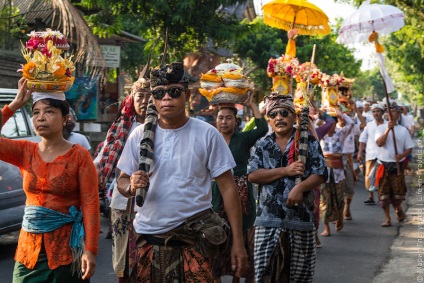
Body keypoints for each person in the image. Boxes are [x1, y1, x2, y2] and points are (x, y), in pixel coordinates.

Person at [116, 62, 248, 282]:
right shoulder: (140, 135)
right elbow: (121, 181)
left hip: (195, 241)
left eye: (174, 92)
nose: (166, 98)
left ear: (187, 95)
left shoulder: (207, 134)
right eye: (159, 93)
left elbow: (228, 188)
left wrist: (238, 241)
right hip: (148, 240)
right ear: (153, 98)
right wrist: (131, 186)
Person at [0, 78, 99, 282]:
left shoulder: (79, 155)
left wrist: (90, 249)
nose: (41, 118)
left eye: (50, 111)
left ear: (65, 118)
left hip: (67, 253)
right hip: (29, 252)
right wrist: (15, 104)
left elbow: (90, 204)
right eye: (36, 112)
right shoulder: (25, 151)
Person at [247, 93, 327, 282]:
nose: (278, 118)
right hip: (267, 219)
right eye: (273, 115)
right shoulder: (262, 144)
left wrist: (300, 188)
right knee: (264, 274)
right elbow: (252, 175)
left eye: (284, 113)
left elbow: (321, 173)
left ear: (294, 116)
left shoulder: (307, 142)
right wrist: (286, 170)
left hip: (300, 218)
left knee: (300, 276)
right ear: (269, 120)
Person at [94, 73, 151, 281]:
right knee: (123, 258)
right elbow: (102, 158)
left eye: (150, 96)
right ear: (132, 99)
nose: (145, 102)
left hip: (152, 201)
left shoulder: (163, 128)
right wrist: (98, 170)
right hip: (122, 200)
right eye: (140, 96)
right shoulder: (121, 127)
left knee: (148, 258)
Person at [212, 96, 268, 283]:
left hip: (241, 193)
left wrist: (252, 105)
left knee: (241, 233)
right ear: (216, 120)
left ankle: (238, 277)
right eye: (221, 118)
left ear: (236, 121)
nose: (224, 121)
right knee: (216, 233)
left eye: (229, 118)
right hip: (215, 192)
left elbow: (262, 129)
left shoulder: (243, 138)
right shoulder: (211, 139)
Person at [375, 103, 414, 227]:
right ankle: (387, 219)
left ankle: (398, 208)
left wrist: (401, 156)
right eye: (388, 111)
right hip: (383, 165)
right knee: (383, 195)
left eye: (393, 111)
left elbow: (409, 148)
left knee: (398, 194)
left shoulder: (403, 130)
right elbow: (379, 143)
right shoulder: (381, 128)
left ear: (398, 114)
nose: (390, 114)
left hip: (397, 166)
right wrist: (388, 129)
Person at [320, 108, 354, 237]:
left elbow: (351, 124)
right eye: (327, 123)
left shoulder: (340, 134)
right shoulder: (321, 134)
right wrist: (320, 112)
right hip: (324, 171)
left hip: (338, 170)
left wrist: (341, 114)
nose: (329, 126)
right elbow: (312, 124)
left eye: (332, 123)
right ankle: (326, 227)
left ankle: (339, 217)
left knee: (339, 198)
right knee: (324, 199)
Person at [357, 103, 386, 204]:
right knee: (369, 175)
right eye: (374, 111)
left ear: (382, 113)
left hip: (383, 155)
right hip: (371, 154)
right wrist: (360, 153)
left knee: (381, 176)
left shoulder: (387, 125)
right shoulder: (369, 125)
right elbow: (362, 139)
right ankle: (370, 196)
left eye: (378, 111)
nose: (376, 113)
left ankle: (381, 195)